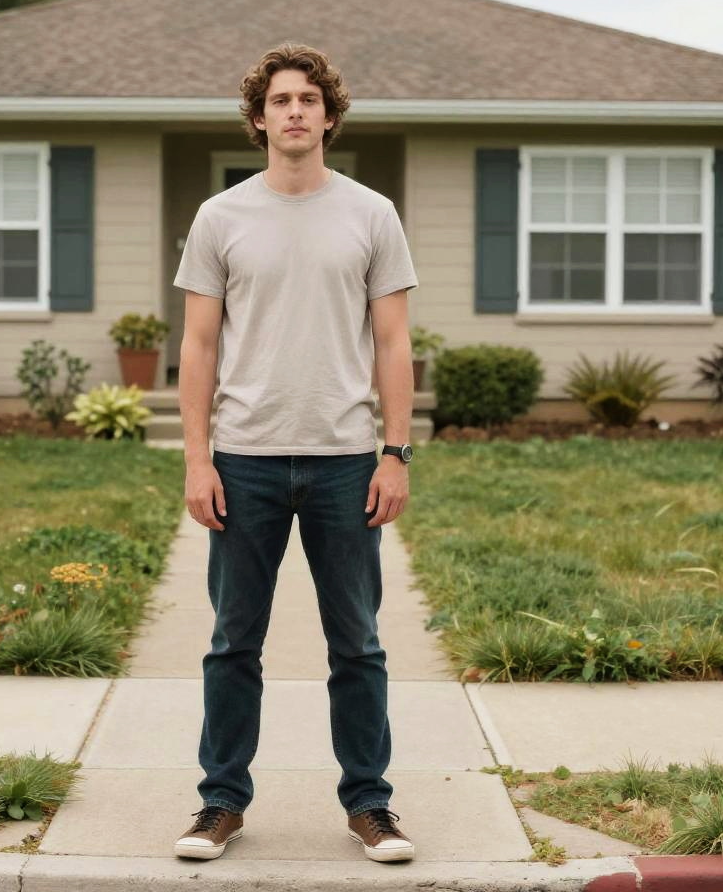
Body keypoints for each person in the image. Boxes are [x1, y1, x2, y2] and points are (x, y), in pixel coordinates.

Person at [171, 43, 419, 864]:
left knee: (358, 644)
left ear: (331, 117)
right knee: (234, 643)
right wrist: (197, 460)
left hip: (348, 459)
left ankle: (370, 806)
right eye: (280, 99)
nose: (295, 111)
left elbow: (393, 343)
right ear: (258, 118)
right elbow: (198, 349)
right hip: (244, 459)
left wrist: (395, 454)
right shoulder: (221, 218)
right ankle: (220, 804)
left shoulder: (371, 214)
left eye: (309, 98)